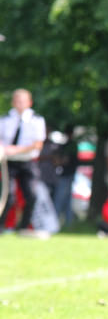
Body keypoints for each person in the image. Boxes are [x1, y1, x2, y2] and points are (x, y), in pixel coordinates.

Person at [0, 88, 46, 231]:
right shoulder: (5, 119)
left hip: (28, 162)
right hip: (9, 163)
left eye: (23, 101)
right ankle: (1, 226)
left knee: (31, 195)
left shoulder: (36, 120)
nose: (20, 104)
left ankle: (24, 227)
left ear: (29, 103)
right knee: (8, 195)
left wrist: (17, 149)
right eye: (17, 101)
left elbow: (38, 144)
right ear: (13, 103)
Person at [53, 125, 79, 227]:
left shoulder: (69, 145)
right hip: (69, 175)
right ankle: (69, 223)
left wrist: (57, 161)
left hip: (66, 175)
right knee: (68, 200)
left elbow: (64, 160)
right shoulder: (71, 145)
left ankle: (54, 223)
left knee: (59, 200)